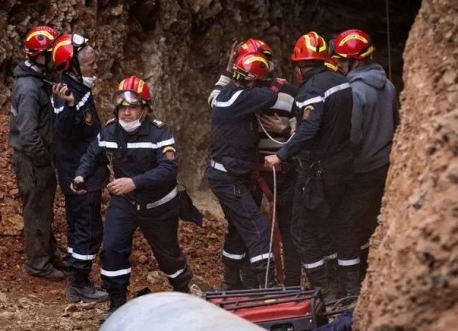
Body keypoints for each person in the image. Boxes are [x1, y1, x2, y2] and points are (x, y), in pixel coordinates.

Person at [73, 75, 193, 322]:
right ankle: (117, 303)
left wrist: (134, 182)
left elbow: (168, 169)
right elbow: (91, 156)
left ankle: (184, 294)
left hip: (159, 205)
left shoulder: (160, 132)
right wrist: (80, 176)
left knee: (168, 256)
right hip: (125, 203)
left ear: (145, 109)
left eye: (133, 108)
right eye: (123, 108)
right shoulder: (109, 131)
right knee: (113, 249)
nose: (126, 113)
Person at [264, 31, 358, 301]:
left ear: (300, 67)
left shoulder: (311, 90)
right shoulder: (342, 82)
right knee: (341, 225)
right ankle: (350, 291)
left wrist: (280, 155)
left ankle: (325, 291)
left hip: (318, 170)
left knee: (302, 229)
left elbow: (310, 128)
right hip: (344, 166)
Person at [208, 39, 302, 289]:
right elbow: (266, 97)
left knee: (242, 229)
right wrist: (275, 87)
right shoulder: (251, 97)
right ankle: (265, 288)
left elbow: (305, 130)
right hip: (242, 174)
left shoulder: (225, 95)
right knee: (258, 230)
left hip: (267, 173)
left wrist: (285, 131)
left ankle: (234, 284)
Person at [331, 29, 400, 284]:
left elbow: (353, 137)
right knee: (372, 221)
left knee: (348, 223)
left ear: (355, 60)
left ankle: (351, 284)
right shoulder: (389, 85)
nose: (338, 65)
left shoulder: (354, 91)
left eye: (341, 60)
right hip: (383, 165)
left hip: (360, 169)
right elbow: (396, 124)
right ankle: (372, 273)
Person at [51, 33, 109, 302]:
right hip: (79, 174)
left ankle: (79, 276)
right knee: (86, 228)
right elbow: (63, 131)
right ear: (72, 66)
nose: (94, 69)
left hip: (89, 170)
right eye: (89, 65)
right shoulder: (66, 93)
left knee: (85, 226)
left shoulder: (80, 88)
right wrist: (71, 106)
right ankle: (79, 284)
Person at [8, 26, 65, 281]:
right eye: (51, 53)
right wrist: (44, 161)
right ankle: (38, 264)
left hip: (37, 157)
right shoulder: (29, 88)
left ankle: (49, 254)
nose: (55, 58)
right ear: (38, 55)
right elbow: (28, 133)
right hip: (33, 160)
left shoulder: (38, 80)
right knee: (37, 210)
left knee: (43, 208)